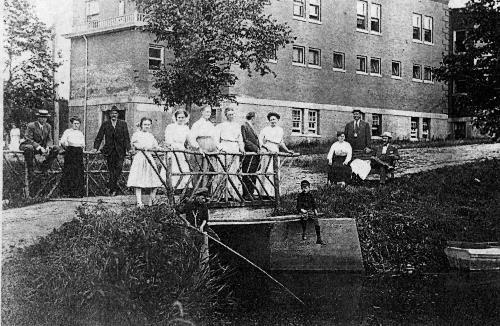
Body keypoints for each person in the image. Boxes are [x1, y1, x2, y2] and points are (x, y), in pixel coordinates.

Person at [93, 106, 130, 196]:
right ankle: (113, 190)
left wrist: (128, 149)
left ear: (118, 115)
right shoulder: (105, 124)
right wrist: (95, 148)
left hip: (120, 151)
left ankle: (110, 186)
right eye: (112, 113)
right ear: (110, 115)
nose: (114, 115)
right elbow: (99, 136)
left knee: (119, 169)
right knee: (111, 170)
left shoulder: (123, 124)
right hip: (109, 151)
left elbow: (126, 137)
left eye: (116, 113)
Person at [127, 117, 163, 207]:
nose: (147, 126)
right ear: (141, 125)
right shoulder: (137, 134)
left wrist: (160, 148)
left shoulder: (150, 136)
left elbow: (155, 146)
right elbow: (134, 144)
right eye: (145, 124)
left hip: (149, 158)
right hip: (140, 157)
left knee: (154, 180)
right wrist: (142, 147)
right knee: (138, 180)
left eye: (148, 125)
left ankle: (152, 201)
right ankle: (139, 202)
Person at [257, 112, 293, 198]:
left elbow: (281, 142)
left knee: (275, 171)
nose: (273, 121)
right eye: (271, 119)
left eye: (274, 119)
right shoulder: (265, 129)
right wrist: (265, 148)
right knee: (266, 171)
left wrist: (288, 151)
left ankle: (274, 193)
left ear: (277, 120)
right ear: (269, 121)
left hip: (275, 151)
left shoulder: (280, 130)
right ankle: (264, 193)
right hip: (266, 151)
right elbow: (260, 141)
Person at [20, 109, 61, 175]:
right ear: (38, 118)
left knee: (56, 148)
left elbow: (49, 139)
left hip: (42, 147)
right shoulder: (31, 125)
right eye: (42, 117)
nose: (44, 119)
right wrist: (39, 147)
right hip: (29, 145)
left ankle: (45, 167)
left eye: (45, 117)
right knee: (29, 148)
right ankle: (31, 170)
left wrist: (48, 147)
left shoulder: (48, 126)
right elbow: (28, 139)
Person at [216, 108, 244, 201]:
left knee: (234, 171)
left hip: (235, 148)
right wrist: (221, 148)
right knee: (224, 170)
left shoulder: (237, 126)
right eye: (229, 114)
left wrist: (242, 148)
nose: (231, 116)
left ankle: (234, 194)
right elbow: (216, 140)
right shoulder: (220, 126)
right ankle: (223, 195)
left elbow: (240, 139)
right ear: (226, 115)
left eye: (232, 114)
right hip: (225, 147)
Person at [189, 106, 219, 190]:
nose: (208, 114)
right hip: (201, 149)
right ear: (202, 112)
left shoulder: (210, 124)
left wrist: (217, 147)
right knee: (200, 170)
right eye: (206, 112)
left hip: (211, 150)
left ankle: (207, 191)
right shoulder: (197, 124)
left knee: (210, 170)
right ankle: (198, 191)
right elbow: (192, 138)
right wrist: (198, 148)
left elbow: (214, 138)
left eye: (209, 112)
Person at [163, 109, 191, 191]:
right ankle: (171, 189)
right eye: (179, 117)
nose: (181, 119)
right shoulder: (171, 127)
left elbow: (190, 139)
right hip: (173, 149)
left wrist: (197, 147)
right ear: (176, 118)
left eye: (183, 117)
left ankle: (182, 190)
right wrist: (171, 145)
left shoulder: (186, 128)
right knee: (173, 169)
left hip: (181, 150)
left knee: (183, 169)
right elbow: (168, 138)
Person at [60, 117, 86, 197]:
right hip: (70, 152)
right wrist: (67, 149)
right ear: (72, 124)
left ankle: (77, 193)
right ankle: (67, 192)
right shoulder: (67, 132)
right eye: (75, 123)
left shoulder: (80, 133)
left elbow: (83, 145)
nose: (76, 125)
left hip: (78, 153)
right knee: (69, 171)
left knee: (78, 172)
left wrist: (80, 148)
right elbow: (62, 142)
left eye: (78, 124)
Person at [296, 180, 325, 245]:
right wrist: (301, 209)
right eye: (303, 188)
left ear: (309, 188)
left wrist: (315, 210)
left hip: (310, 210)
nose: (304, 189)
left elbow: (313, 204)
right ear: (301, 188)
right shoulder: (300, 196)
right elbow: (298, 206)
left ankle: (319, 238)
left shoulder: (310, 195)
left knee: (316, 221)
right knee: (304, 217)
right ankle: (304, 233)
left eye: (306, 188)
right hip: (303, 211)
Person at [241, 111, 260, 200]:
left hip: (254, 156)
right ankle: (246, 194)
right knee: (247, 173)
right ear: (252, 118)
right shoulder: (244, 126)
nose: (255, 120)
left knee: (253, 174)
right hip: (249, 155)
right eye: (255, 118)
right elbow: (246, 141)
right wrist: (256, 149)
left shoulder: (252, 127)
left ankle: (251, 193)